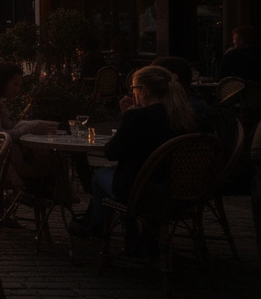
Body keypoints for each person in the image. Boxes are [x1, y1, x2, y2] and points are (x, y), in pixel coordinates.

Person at [68, 66, 197, 252]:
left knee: (101, 177)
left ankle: (100, 228)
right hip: (183, 193)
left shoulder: (138, 117)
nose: (133, 94)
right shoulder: (183, 117)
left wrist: (128, 116)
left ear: (143, 91)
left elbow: (111, 152)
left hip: (143, 193)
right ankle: (140, 238)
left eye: (134, 90)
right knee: (125, 176)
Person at [0, 62, 56, 187]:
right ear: (0, 81)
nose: (17, 90)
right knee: (54, 160)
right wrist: (28, 129)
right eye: (14, 84)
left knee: (49, 158)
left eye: (19, 86)